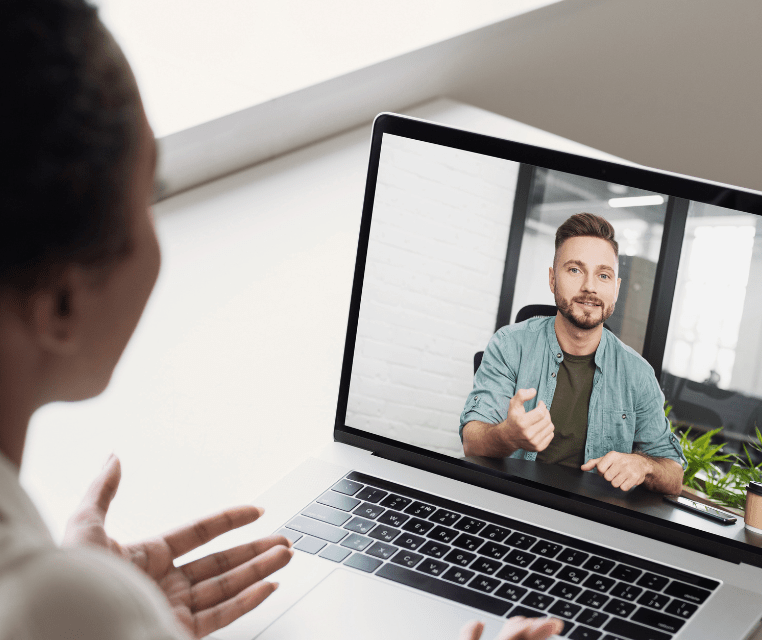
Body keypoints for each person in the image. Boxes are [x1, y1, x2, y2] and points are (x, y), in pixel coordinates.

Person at [0, 2, 561, 638]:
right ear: (62, 305)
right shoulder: (56, 606)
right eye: (151, 194)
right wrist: (86, 610)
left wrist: (97, 606)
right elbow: (476, 435)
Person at [460, 213, 686, 495]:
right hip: (511, 498)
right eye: (575, 270)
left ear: (616, 289)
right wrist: (509, 435)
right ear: (553, 279)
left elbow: (673, 473)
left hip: (594, 516)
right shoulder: (510, 345)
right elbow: (472, 441)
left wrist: (644, 465)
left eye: (603, 275)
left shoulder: (637, 374)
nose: (590, 286)